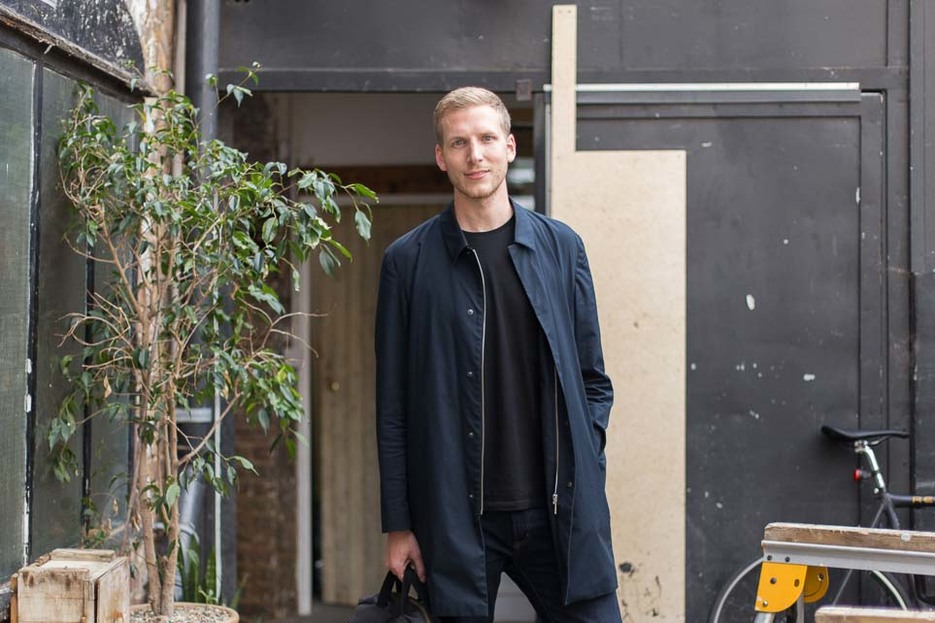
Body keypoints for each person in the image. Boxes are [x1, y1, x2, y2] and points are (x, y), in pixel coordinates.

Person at [375, 86, 621, 623]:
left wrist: (587, 452)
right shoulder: (407, 263)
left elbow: (592, 379)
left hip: (559, 510)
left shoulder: (562, 248)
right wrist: (399, 526)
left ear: (510, 146)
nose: (475, 154)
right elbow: (392, 409)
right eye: (459, 143)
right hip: (457, 518)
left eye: (487, 138)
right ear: (442, 158)